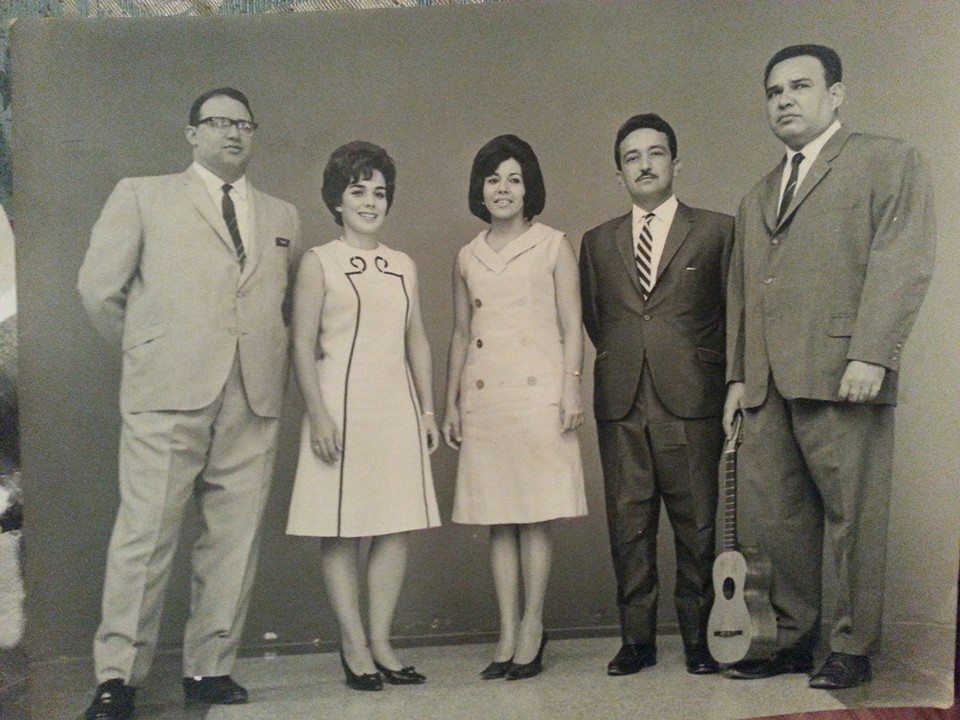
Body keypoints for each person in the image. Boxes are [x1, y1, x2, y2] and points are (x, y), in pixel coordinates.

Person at [77, 87, 301, 719]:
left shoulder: (283, 215)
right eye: (218, 122)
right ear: (192, 133)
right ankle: (118, 678)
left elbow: (281, 305)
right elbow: (98, 291)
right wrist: (151, 351)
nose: (232, 133)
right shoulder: (141, 195)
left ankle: (209, 668)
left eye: (244, 125)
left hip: (252, 393)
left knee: (233, 538)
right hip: (167, 392)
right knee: (145, 534)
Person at [723, 44, 936, 689]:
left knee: (854, 516)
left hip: (846, 372)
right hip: (767, 384)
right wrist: (737, 378)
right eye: (774, 92)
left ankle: (850, 645)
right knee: (777, 520)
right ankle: (790, 639)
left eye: (800, 86)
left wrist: (871, 352)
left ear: (836, 94)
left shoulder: (886, 160)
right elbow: (742, 291)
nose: (784, 100)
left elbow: (903, 258)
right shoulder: (757, 194)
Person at [579, 114, 733, 676]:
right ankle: (636, 641)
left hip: (692, 399)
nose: (644, 165)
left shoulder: (717, 231)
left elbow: (733, 315)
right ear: (619, 172)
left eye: (655, 153)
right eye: (632, 157)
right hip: (622, 400)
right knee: (628, 525)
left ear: (675, 162)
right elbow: (596, 319)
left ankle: (699, 638)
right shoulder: (597, 241)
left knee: (697, 525)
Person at [285, 141, 441, 691]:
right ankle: (353, 646)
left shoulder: (402, 264)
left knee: (394, 526)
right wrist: (319, 416)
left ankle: (382, 643)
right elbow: (301, 344)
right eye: (358, 191)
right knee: (342, 529)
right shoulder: (318, 262)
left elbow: (416, 339)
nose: (371, 202)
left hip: (395, 408)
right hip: (339, 410)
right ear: (337, 200)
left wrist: (427, 409)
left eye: (379, 192)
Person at [442, 134, 587, 681]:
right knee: (498, 519)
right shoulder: (467, 256)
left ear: (529, 189)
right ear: (480, 189)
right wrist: (452, 401)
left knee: (534, 515)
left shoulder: (552, 245)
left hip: (537, 395)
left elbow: (572, 324)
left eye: (514, 179)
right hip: (486, 397)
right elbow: (462, 332)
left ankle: (532, 624)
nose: (502, 189)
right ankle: (506, 629)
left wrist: (571, 388)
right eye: (493, 179)